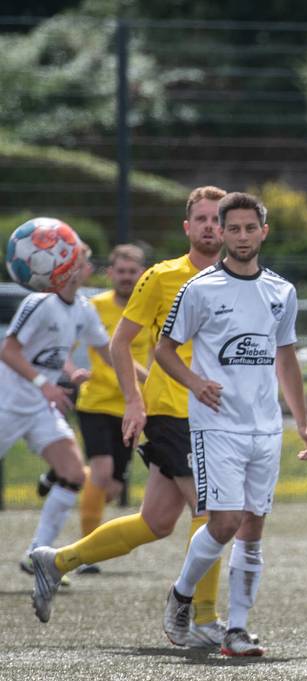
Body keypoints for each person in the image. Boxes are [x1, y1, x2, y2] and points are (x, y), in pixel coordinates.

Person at [29, 186, 228, 645]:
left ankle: (55, 561)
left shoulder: (240, 281)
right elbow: (119, 343)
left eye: (219, 219)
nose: (211, 227)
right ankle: (202, 618)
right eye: (202, 218)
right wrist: (135, 402)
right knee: (212, 511)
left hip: (217, 415)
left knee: (156, 522)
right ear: (187, 227)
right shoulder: (160, 277)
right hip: (171, 410)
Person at [155, 191, 307, 657]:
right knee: (224, 522)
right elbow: (164, 349)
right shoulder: (200, 289)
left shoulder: (281, 292)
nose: (243, 236)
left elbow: (285, 357)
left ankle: (237, 630)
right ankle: (183, 593)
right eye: (235, 228)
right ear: (222, 233)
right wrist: (194, 382)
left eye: (251, 228)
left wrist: (302, 422)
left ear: (263, 232)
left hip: (264, 428)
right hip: (216, 426)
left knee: (252, 528)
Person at [0, 245, 111, 573]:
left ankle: (37, 556)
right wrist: (44, 384)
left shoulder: (83, 309)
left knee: (74, 474)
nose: (88, 266)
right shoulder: (39, 302)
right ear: (64, 266)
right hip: (7, 403)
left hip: (39, 407)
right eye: (83, 260)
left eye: (87, 260)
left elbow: (109, 354)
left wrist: (150, 382)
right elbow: (9, 350)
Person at [68, 244, 150, 573]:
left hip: (131, 408)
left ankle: (65, 475)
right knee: (102, 472)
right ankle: (85, 553)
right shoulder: (93, 307)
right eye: (122, 271)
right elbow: (64, 345)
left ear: (142, 274)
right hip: (95, 401)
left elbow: (160, 351)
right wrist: (71, 370)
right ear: (110, 273)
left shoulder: (149, 308)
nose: (127, 277)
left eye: (133, 272)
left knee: (113, 488)